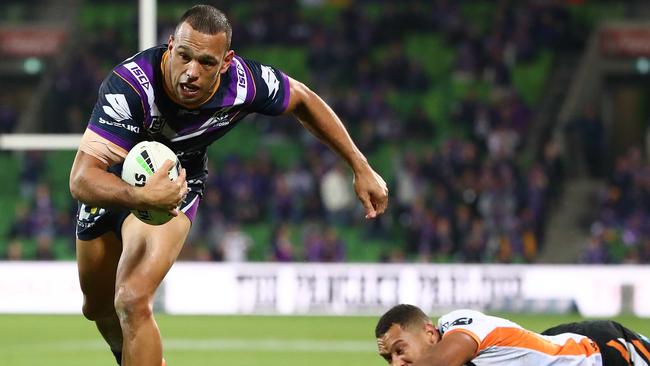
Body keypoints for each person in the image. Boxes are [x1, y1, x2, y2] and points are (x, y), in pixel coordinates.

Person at [69, 5, 388, 366]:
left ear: (225, 62)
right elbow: (81, 178)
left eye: (206, 62)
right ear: (170, 45)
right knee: (97, 307)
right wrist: (139, 194)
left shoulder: (244, 82)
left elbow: (302, 98)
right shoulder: (130, 85)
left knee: (131, 298)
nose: (191, 72)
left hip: (177, 185)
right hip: (112, 183)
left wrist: (361, 166)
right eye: (184, 56)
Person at [375, 304, 650, 366]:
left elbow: (442, 360)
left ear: (430, 333)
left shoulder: (458, 325)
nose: (396, 363)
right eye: (389, 359)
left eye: (400, 350)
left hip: (603, 352)